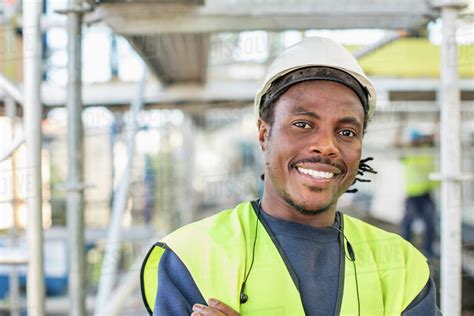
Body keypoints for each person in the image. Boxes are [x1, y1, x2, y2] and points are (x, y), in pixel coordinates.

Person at [140, 37, 441, 315]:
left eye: (347, 132)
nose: (326, 146)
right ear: (264, 133)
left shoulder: (401, 265)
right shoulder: (192, 257)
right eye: (303, 124)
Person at [400, 129, 438, 259]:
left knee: (430, 224)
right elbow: (396, 144)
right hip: (413, 194)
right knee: (408, 224)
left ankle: (428, 251)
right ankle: (405, 251)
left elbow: (433, 137)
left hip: (426, 193)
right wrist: (400, 127)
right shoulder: (408, 152)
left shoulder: (427, 149)